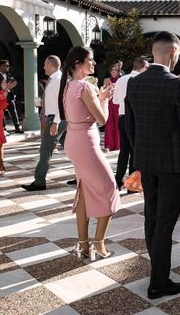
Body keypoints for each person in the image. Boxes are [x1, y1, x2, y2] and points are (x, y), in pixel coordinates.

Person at [124, 32, 180, 300]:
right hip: (172, 164)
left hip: (147, 161)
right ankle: (159, 281)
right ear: (174, 51)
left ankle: (158, 270)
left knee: (152, 216)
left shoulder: (135, 83)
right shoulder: (177, 84)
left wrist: (141, 152)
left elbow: (129, 126)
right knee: (165, 222)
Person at [58, 46, 120, 261]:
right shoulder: (84, 87)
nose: (94, 64)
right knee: (110, 188)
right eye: (90, 60)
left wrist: (100, 96)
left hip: (74, 141)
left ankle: (84, 244)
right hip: (85, 142)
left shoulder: (68, 86)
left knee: (84, 191)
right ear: (78, 64)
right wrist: (104, 98)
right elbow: (102, 119)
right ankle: (99, 243)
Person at [22, 56, 67, 191]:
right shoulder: (55, 79)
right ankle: (82, 176)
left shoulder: (58, 80)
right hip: (57, 118)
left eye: (45, 65)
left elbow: (62, 103)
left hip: (56, 119)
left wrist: (56, 122)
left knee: (45, 150)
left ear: (52, 65)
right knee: (71, 148)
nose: (43, 67)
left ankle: (40, 181)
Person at [112, 56, 149, 191]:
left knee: (124, 151)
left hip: (122, 117)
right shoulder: (141, 80)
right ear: (142, 67)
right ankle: (131, 185)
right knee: (135, 150)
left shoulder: (121, 80)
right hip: (136, 118)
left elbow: (115, 101)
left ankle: (118, 180)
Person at [0, 59, 23, 133]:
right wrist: (5, 86)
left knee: (13, 111)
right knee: (2, 112)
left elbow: (14, 81)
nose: (8, 67)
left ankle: (17, 127)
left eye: (8, 66)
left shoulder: (9, 74)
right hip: (1, 95)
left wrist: (12, 84)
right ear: (1, 66)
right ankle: (3, 128)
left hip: (9, 95)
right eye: (6, 66)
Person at [102, 64, 120, 152]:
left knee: (117, 123)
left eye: (115, 70)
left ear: (118, 71)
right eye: (112, 70)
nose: (113, 72)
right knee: (108, 124)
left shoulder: (120, 80)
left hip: (117, 104)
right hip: (108, 103)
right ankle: (108, 145)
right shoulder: (106, 80)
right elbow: (103, 92)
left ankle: (117, 145)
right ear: (110, 71)